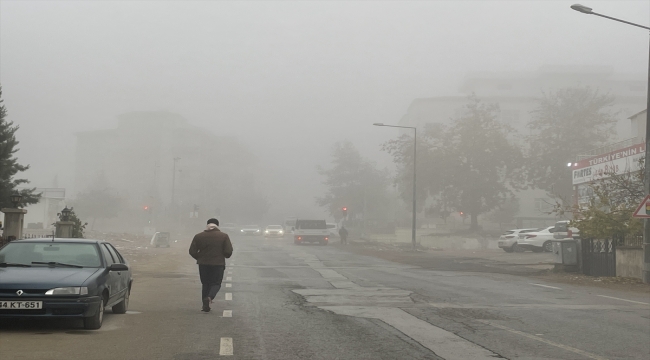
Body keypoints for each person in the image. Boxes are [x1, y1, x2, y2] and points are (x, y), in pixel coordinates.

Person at [189, 218, 233, 312]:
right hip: (218, 264)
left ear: (207, 225)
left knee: (205, 283)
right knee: (216, 283)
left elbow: (192, 251)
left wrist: (200, 258)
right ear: (217, 225)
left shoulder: (198, 236)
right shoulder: (224, 236)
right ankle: (209, 298)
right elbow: (228, 252)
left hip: (203, 264)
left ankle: (205, 306)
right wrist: (223, 255)